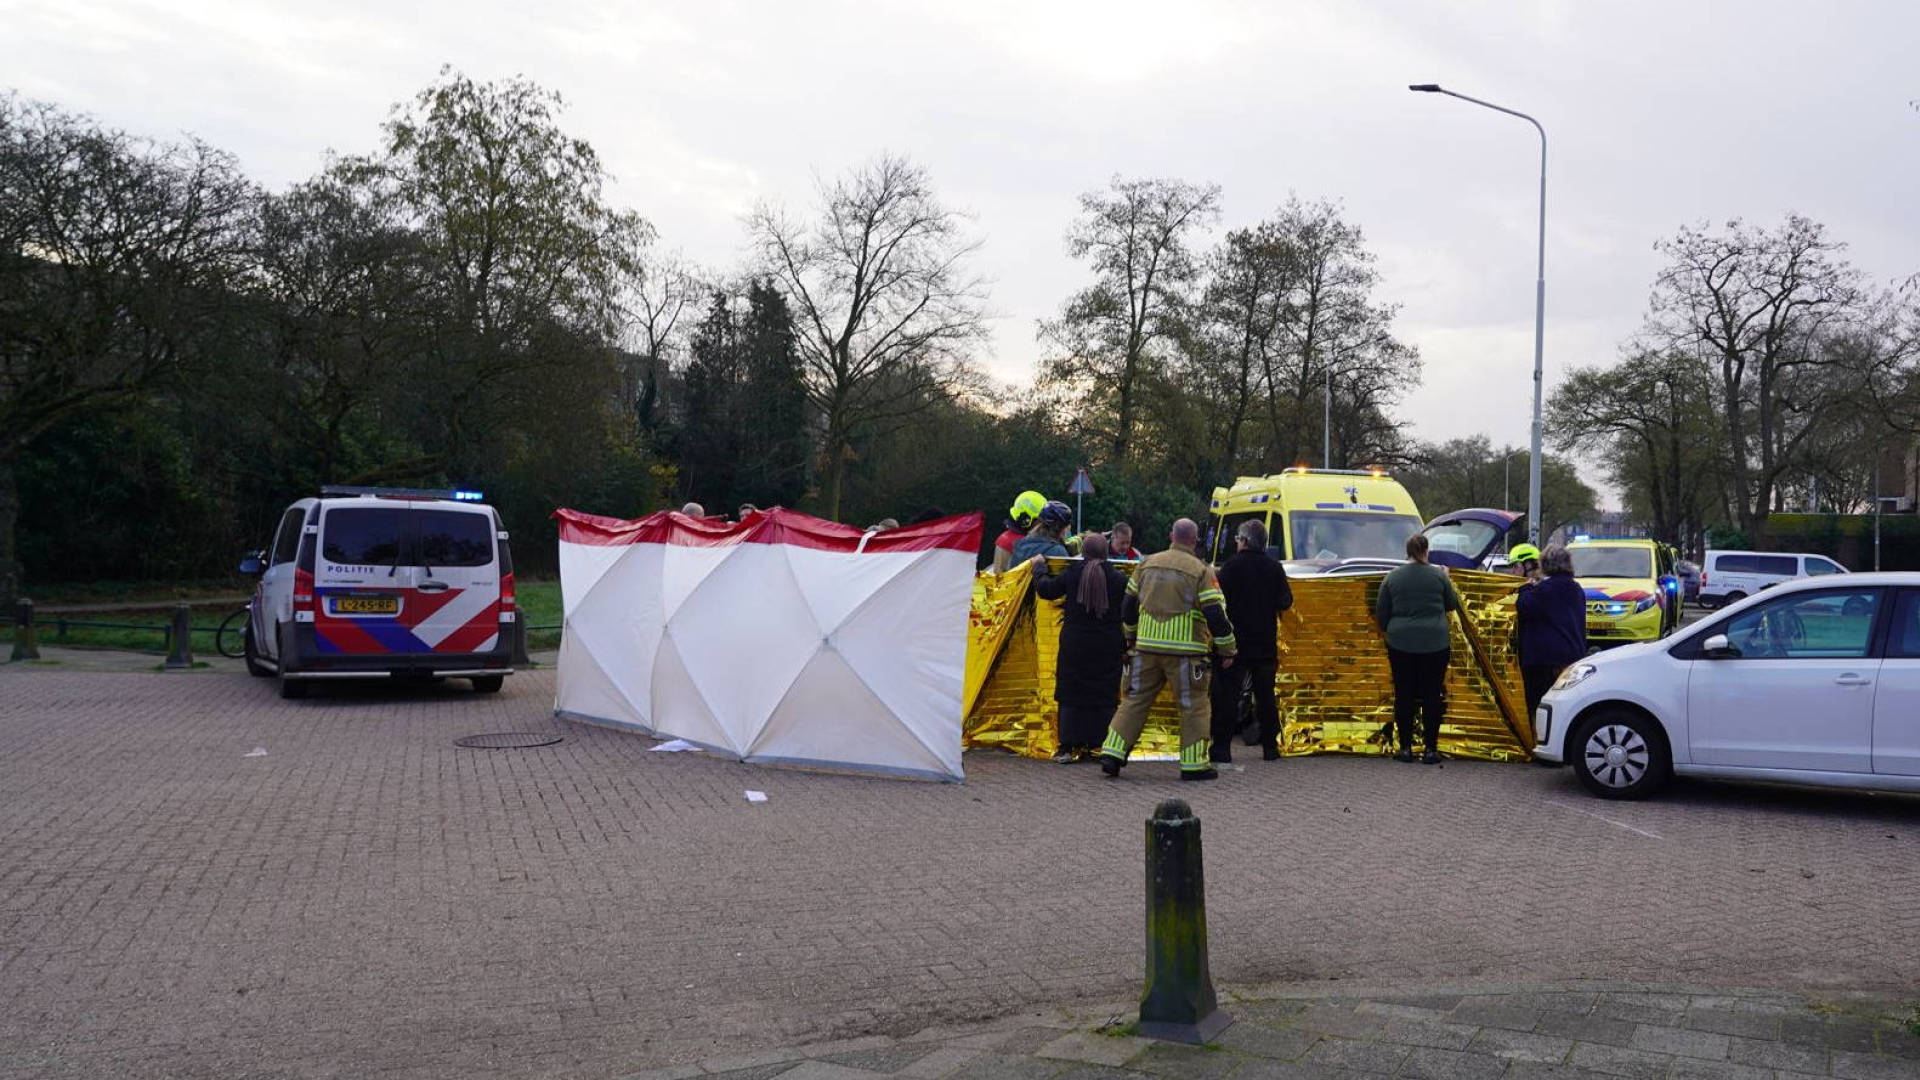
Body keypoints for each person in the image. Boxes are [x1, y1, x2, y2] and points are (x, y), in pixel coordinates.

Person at [1098, 518, 1238, 781]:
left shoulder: (1146, 563)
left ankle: (1112, 753)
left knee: (1135, 700)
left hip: (1147, 648)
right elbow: (1214, 612)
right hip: (1187, 654)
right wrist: (1227, 648)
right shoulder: (1201, 571)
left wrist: (1129, 635)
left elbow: (1128, 605)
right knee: (1194, 706)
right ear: (1195, 541)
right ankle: (1194, 765)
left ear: (1170, 535)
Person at [1032, 533, 1129, 762]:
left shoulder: (1073, 574)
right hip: (1107, 644)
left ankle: (1068, 746)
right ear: (1106, 553)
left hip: (1075, 643)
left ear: (1084, 552)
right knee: (1104, 693)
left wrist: (1039, 569)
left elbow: (1046, 590)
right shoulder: (1118, 579)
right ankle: (1100, 744)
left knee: (1071, 691)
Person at [1209, 519, 1293, 763]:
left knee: (1227, 695)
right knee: (1265, 696)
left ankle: (1222, 748)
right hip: (1265, 643)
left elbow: (1218, 602)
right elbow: (1286, 601)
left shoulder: (1231, 568)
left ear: (1244, 541)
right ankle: (1270, 747)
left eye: (1237, 539)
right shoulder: (1274, 567)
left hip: (1235, 644)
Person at [1374, 533, 1461, 764]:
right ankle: (1430, 750)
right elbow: (1452, 604)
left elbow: (1381, 612)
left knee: (1404, 694)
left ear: (1408, 551)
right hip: (1435, 642)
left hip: (1400, 642)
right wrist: (1447, 578)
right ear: (1426, 550)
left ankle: (1405, 749)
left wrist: (1391, 630)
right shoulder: (1438, 575)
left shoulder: (1392, 577)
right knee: (1432, 694)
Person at [1512, 543, 1587, 721]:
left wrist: (1526, 588)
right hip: (1572, 657)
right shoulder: (1576, 588)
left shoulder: (1547, 590)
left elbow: (1524, 606)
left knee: (1542, 707)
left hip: (1546, 662)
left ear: (1545, 564)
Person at [994, 491, 1047, 573]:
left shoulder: (1004, 537)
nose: (1042, 525)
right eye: (1039, 521)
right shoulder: (1023, 543)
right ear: (1026, 520)